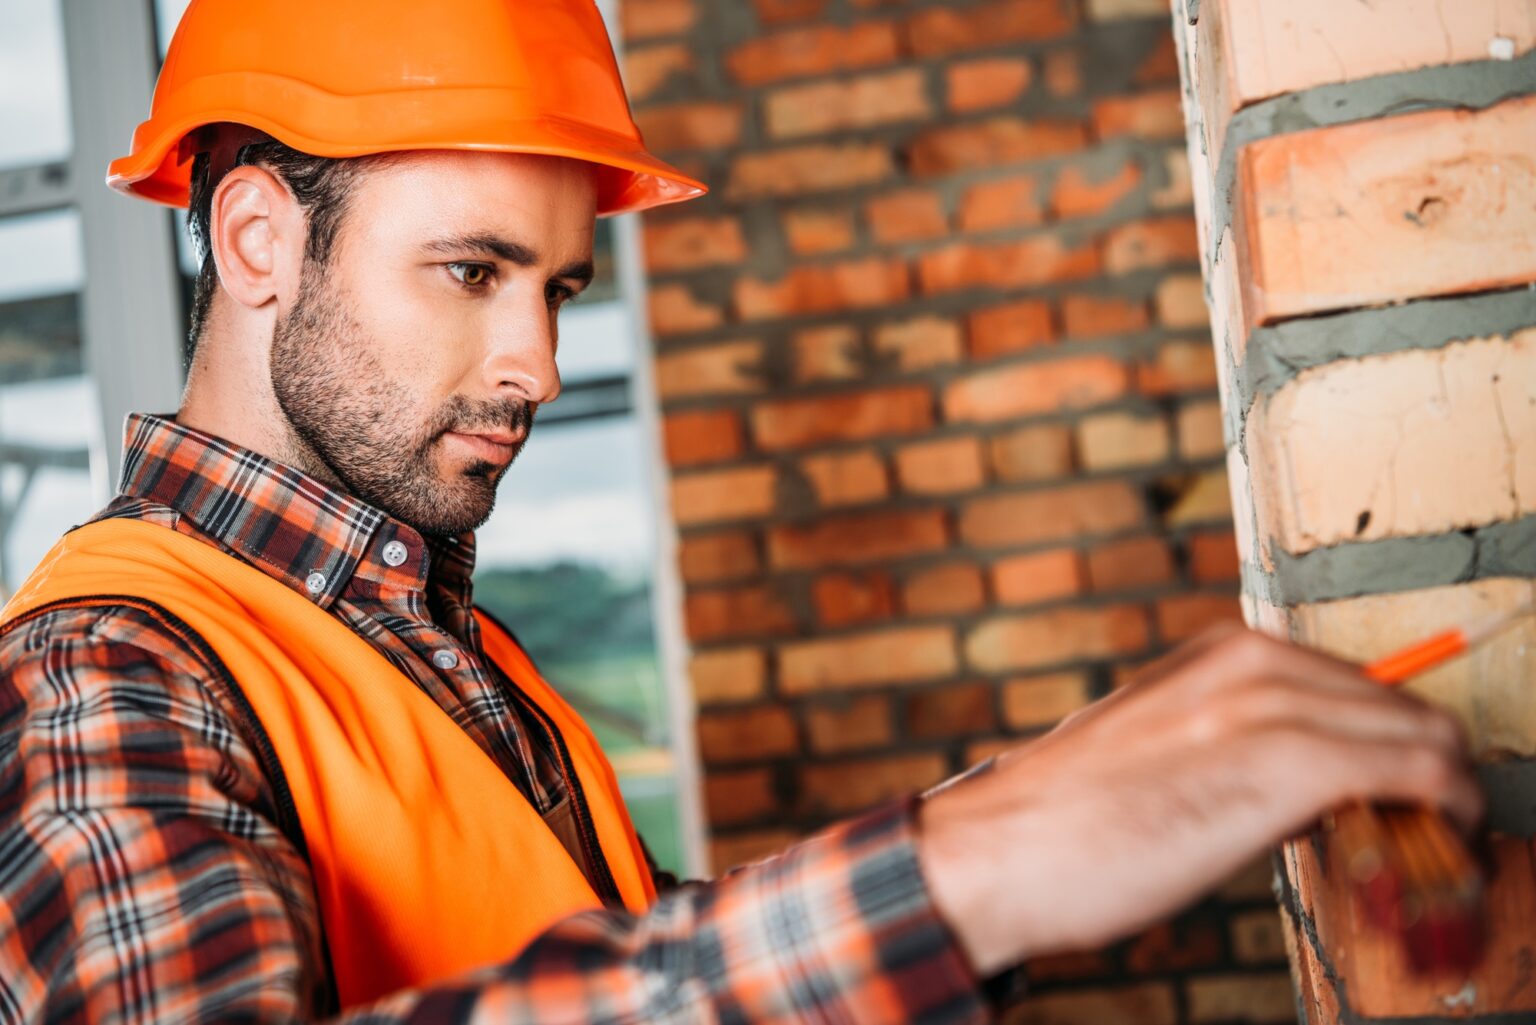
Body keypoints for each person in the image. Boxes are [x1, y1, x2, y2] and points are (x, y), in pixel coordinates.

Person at [0, 1, 1480, 1021]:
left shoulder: (419, 640)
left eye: (559, 287)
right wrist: (975, 870)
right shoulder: (97, 672)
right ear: (260, 236)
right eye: (472, 271)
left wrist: (1057, 784)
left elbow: (587, 954)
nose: (539, 362)